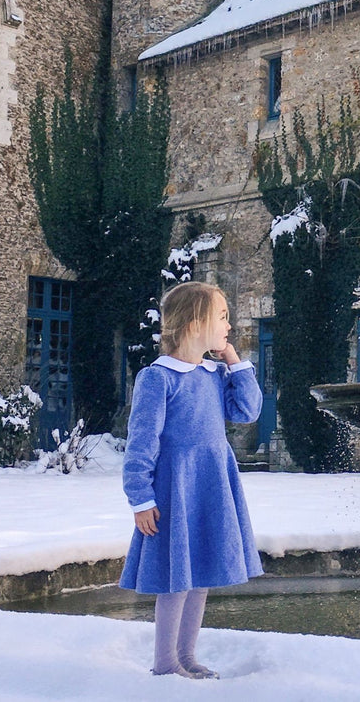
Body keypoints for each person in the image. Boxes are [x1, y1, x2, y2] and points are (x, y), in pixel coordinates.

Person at [120, 281, 263, 679]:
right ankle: (165, 663)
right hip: (174, 488)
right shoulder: (158, 378)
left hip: (211, 484)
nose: (228, 326)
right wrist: (141, 498)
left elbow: (248, 410)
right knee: (175, 577)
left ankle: (187, 655)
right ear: (196, 321)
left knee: (198, 572)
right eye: (222, 317)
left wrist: (235, 361)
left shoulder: (214, 374)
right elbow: (141, 443)